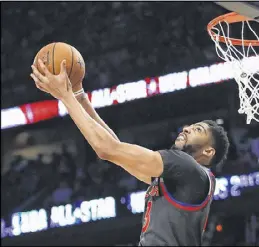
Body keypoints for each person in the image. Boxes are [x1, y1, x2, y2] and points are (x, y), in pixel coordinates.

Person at [30, 59, 230, 246]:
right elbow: (116, 147)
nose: (187, 128)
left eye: (197, 130)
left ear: (209, 151)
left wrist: (65, 97)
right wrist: (79, 96)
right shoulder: (183, 179)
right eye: (191, 126)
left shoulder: (185, 165)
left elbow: (106, 149)